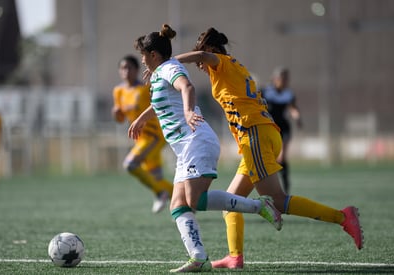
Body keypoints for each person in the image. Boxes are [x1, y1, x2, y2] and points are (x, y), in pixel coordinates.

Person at [175, 27, 364, 269]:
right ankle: (235, 257)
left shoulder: (220, 62)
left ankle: (343, 217)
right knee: (230, 202)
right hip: (261, 135)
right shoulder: (231, 67)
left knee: (278, 201)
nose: (198, 65)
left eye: (200, 57)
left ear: (210, 50)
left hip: (255, 134)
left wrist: (168, 63)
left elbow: (202, 57)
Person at [129, 24, 282, 273]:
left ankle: (260, 206)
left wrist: (189, 111)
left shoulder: (169, 68)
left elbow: (186, 88)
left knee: (195, 200)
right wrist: (143, 118)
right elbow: (164, 101)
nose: (143, 61)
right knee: (178, 205)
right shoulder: (159, 74)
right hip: (185, 147)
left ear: (154, 55)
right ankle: (198, 257)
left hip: (196, 141)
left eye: (144, 56)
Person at [112, 55, 173, 213]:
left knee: (130, 165)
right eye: (122, 68)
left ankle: (160, 194)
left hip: (154, 136)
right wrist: (116, 113)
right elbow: (120, 119)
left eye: (129, 68)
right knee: (156, 179)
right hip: (140, 139)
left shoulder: (145, 88)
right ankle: (186, 202)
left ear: (137, 70)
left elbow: (158, 106)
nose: (126, 71)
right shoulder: (118, 91)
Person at [261, 67, 302, 194]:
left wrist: (297, 117)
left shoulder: (288, 94)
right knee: (269, 158)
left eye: (286, 79)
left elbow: (293, 108)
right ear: (275, 79)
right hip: (269, 127)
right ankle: (272, 185)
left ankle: (285, 185)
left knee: (282, 157)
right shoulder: (266, 92)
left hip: (283, 127)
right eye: (282, 78)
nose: (284, 81)